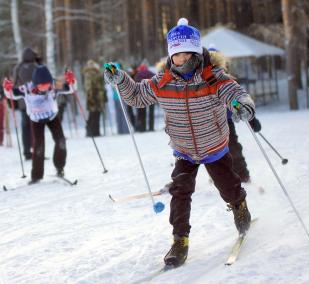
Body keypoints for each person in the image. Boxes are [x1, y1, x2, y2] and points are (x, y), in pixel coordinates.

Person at [104, 18, 256, 267]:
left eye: (186, 54)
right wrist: (121, 79)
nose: (181, 60)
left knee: (228, 186)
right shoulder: (163, 81)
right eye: (176, 56)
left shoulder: (212, 77)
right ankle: (179, 240)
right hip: (184, 149)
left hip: (213, 145)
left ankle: (239, 204)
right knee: (180, 192)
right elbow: (137, 96)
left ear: (196, 53)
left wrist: (243, 106)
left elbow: (234, 93)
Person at [4, 65, 70, 184]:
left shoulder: (55, 84)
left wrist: (72, 81)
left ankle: (60, 168)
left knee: (61, 141)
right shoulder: (26, 88)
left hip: (52, 117)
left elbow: (70, 88)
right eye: (42, 85)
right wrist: (7, 88)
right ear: (35, 83)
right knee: (38, 147)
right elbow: (11, 94)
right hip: (36, 120)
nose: (45, 88)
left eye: (47, 85)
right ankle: (36, 176)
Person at [208, 47, 262, 183]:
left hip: (225, 121)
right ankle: (217, 176)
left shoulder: (224, 80)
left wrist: (250, 117)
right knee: (211, 151)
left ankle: (242, 174)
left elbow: (234, 100)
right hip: (207, 122)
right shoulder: (200, 80)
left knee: (232, 147)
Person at [12, 47, 41, 160]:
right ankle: (37, 150)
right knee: (36, 126)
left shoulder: (18, 67)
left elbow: (14, 84)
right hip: (36, 101)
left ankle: (26, 152)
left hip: (23, 102)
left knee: (25, 127)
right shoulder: (36, 67)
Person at [83, 60, 107, 137]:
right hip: (94, 96)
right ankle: (92, 131)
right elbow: (88, 87)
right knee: (94, 114)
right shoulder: (90, 74)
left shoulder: (95, 73)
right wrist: (90, 97)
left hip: (96, 96)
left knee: (95, 114)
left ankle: (95, 131)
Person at [133, 63, 155, 132]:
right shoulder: (151, 73)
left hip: (142, 96)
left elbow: (135, 85)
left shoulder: (138, 75)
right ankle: (151, 127)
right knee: (151, 112)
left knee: (142, 113)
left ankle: (143, 127)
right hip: (152, 95)